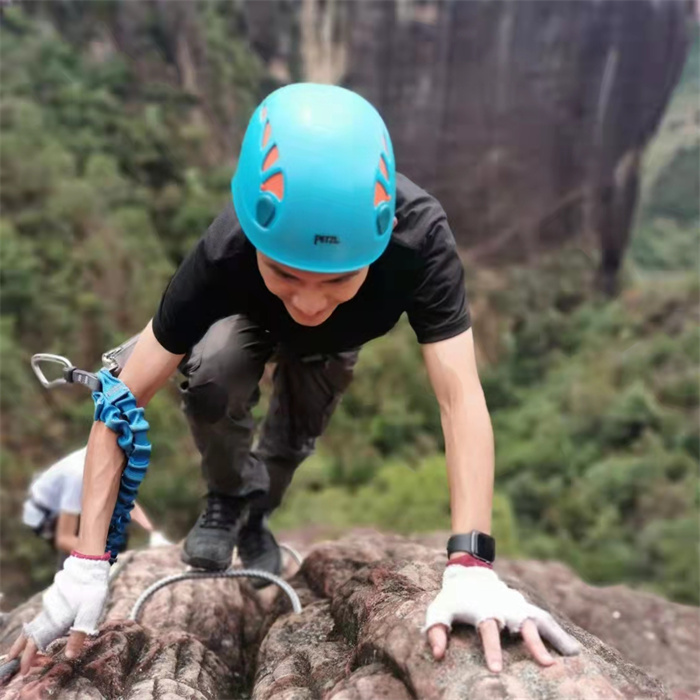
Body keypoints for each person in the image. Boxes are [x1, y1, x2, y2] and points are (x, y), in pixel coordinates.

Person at [10, 83, 580, 675]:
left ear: (381, 239)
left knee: (293, 436)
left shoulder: (419, 239)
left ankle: (256, 515)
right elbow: (120, 402)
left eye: (338, 278)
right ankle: (226, 499)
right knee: (214, 371)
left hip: (335, 347)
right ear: (255, 236)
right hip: (247, 323)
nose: (309, 301)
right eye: (284, 272)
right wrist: (85, 564)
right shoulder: (226, 248)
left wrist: (471, 564)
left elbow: (460, 399)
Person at [21, 446, 171, 570]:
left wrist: (154, 534)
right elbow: (64, 538)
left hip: (76, 498)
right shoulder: (78, 477)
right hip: (47, 515)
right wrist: (103, 557)